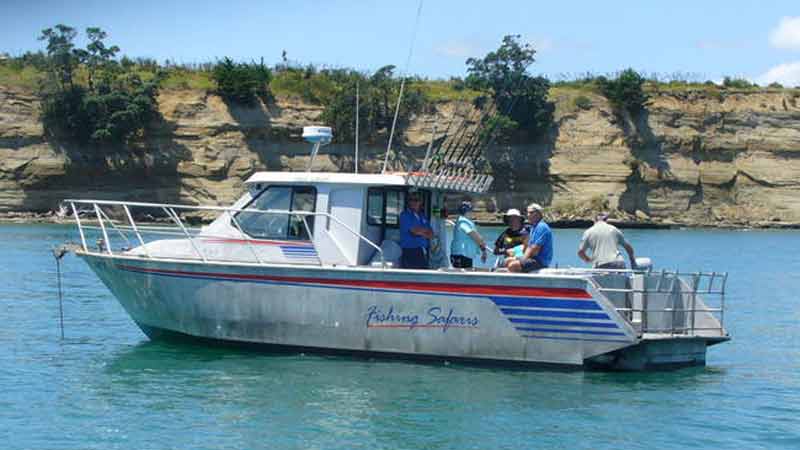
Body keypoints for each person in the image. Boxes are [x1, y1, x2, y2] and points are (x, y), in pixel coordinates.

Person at [507, 203, 553, 272]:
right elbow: (528, 246)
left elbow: (534, 249)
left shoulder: (541, 227)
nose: (528, 215)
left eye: (531, 213)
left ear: (539, 214)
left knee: (513, 265)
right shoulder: (533, 228)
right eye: (527, 213)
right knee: (508, 260)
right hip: (533, 258)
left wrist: (523, 259)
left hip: (541, 261)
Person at [399, 191, 433, 269]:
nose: (413, 202)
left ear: (420, 202)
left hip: (422, 251)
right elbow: (414, 231)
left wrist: (420, 232)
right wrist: (424, 232)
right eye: (411, 200)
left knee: (424, 276)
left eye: (416, 200)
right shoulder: (404, 215)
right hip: (410, 251)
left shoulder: (422, 216)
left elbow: (431, 234)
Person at [449, 201, 488, 269]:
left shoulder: (461, 221)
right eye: (471, 211)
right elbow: (474, 235)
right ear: (468, 211)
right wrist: (484, 250)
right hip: (461, 255)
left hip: (463, 255)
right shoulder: (463, 222)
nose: (472, 213)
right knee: (463, 276)